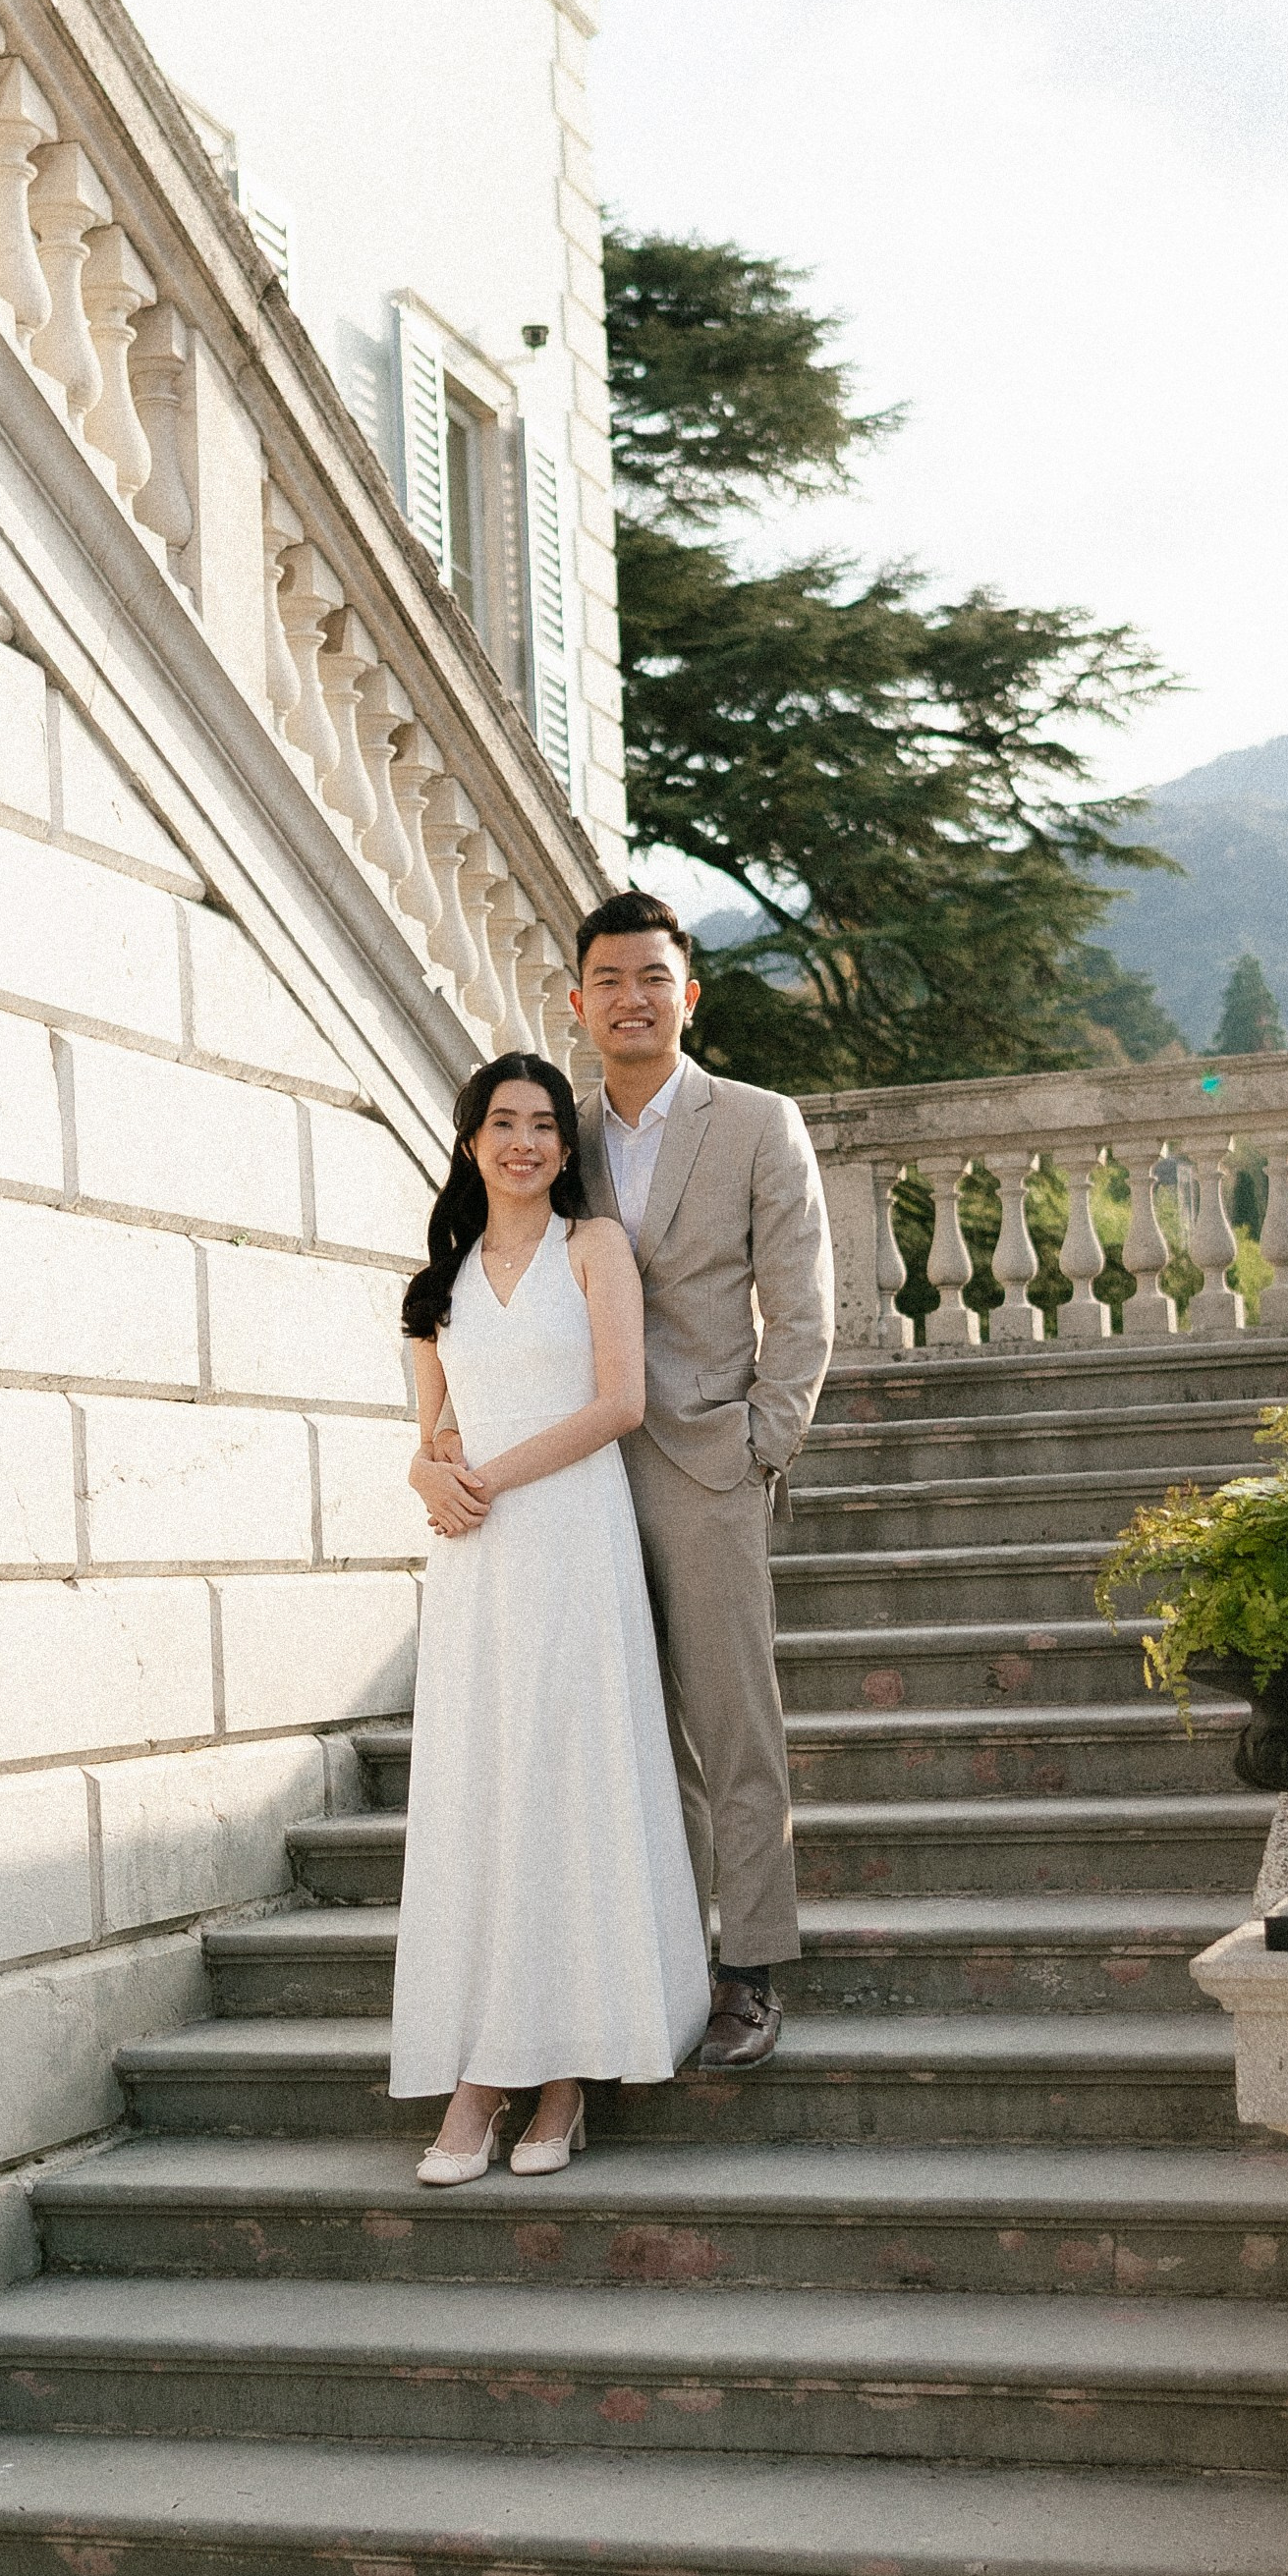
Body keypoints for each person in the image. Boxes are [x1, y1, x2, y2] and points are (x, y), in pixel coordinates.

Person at [392, 1053, 710, 2184]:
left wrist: (488, 1474)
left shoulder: (596, 1249)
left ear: (564, 1151)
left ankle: (563, 2077)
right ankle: (484, 2068)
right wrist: (434, 1477)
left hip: (572, 1538)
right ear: (471, 1140)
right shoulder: (441, 1275)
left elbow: (620, 1401)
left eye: (541, 1125)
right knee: (488, 1798)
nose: (522, 1141)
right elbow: (433, 1428)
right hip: (479, 1567)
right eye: (501, 1123)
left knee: (565, 1786)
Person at [571, 891, 835, 2066]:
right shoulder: (551, 1137)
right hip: (578, 1475)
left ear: (690, 993)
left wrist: (760, 1441)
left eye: (652, 978)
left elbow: (804, 1303)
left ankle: (750, 1969)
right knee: (628, 1730)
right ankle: (664, 1955)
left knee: (734, 1726)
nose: (632, 998)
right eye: (609, 981)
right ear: (577, 1004)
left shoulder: (756, 1122)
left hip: (706, 1461)